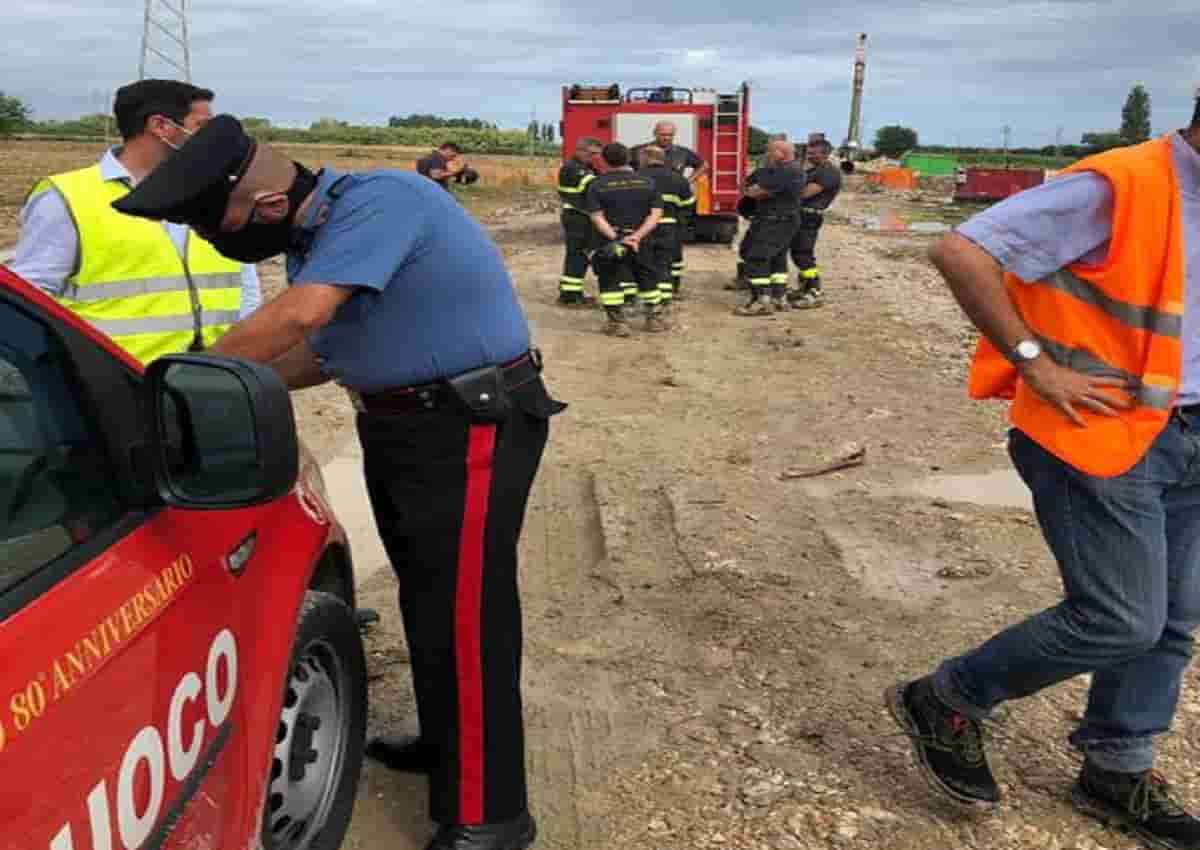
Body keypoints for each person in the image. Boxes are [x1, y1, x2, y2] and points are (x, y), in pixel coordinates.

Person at [115, 115, 563, 850]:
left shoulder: (381, 200)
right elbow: (319, 355)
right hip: (407, 427)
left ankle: (491, 817)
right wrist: (224, 389)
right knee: (428, 597)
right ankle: (451, 746)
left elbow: (301, 316)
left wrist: (188, 381)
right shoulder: (315, 239)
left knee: (467, 614)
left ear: (263, 204)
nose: (211, 240)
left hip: (469, 426)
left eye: (213, 223)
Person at [886, 108, 1200, 849]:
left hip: (1189, 431)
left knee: (1174, 621)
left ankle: (1117, 767)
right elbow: (961, 252)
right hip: (1103, 430)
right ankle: (949, 698)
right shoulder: (1122, 182)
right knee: (1120, 617)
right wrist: (1034, 360)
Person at [9, 79, 261, 364]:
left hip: (211, 378)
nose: (214, 140)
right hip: (114, 384)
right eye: (202, 128)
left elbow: (246, 289)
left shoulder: (223, 194)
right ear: (160, 127)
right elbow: (30, 296)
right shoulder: (67, 197)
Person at [582, 142, 666, 337]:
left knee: (610, 279)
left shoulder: (597, 185)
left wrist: (618, 238)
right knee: (647, 277)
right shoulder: (648, 183)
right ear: (629, 159)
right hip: (642, 241)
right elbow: (656, 214)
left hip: (610, 243)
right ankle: (654, 320)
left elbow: (596, 217)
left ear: (603, 160)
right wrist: (636, 236)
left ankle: (617, 324)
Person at [733, 139, 803, 316]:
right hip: (776, 220)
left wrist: (754, 190)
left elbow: (755, 192)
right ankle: (779, 297)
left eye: (770, 151)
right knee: (777, 258)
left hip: (776, 221)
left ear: (782, 152)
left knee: (756, 258)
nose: (767, 154)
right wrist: (753, 189)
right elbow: (748, 187)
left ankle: (761, 301)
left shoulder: (787, 171)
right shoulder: (780, 170)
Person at [788, 138, 842, 309]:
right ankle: (804, 288)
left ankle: (814, 292)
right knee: (797, 253)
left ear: (825, 153)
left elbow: (804, 194)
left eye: (813, 153)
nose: (809, 156)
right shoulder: (815, 170)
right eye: (808, 152)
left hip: (809, 217)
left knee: (803, 254)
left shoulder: (828, 172)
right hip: (801, 216)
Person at [637, 145, 694, 304]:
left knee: (644, 263)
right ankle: (665, 300)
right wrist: (680, 222)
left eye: (640, 158)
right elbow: (688, 205)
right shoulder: (679, 179)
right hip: (669, 228)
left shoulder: (636, 177)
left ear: (646, 158)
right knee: (665, 264)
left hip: (642, 228)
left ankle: (646, 298)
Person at [556, 136, 602, 307]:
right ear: (581, 150)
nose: (595, 158)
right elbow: (595, 188)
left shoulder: (583, 167)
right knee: (577, 256)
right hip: (577, 217)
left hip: (580, 216)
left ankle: (572, 293)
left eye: (597, 154)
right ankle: (569, 297)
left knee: (579, 256)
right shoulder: (574, 169)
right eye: (592, 154)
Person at [632, 121, 708, 185]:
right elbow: (622, 165)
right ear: (655, 133)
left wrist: (687, 182)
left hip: (673, 194)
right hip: (646, 193)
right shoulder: (639, 150)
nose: (667, 138)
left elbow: (703, 165)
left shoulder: (682, 153)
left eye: (670, 135)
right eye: (663, 134)